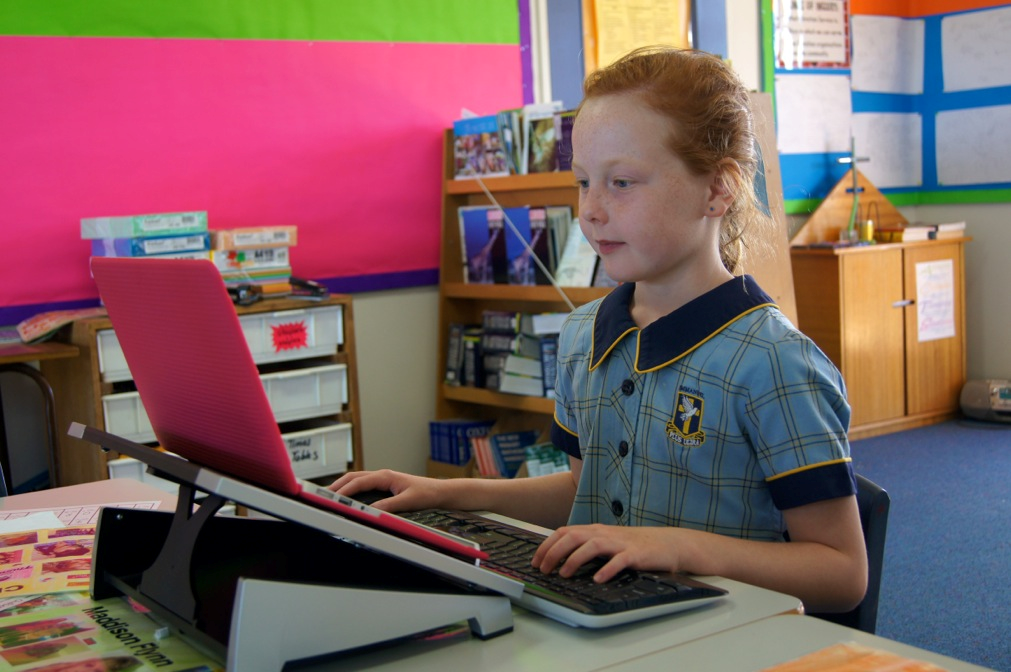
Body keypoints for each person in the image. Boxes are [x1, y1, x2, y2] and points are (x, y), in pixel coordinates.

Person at [331, 46, 868, 614]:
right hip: (611, 626)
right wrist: (445, 493)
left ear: (717, 189)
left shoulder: (774, 363)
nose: (590, 209)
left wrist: (677, 548)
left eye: (622, 183)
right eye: (584, 182)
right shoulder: (584, 334)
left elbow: (841, 572)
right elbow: (584, 494)